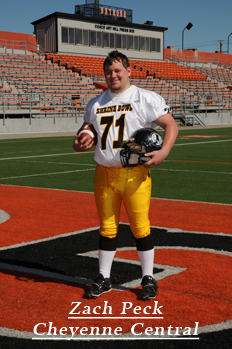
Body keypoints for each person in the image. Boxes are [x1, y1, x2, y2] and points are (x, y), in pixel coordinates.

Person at [73, 50, 178, 300]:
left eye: (118, 70)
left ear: (129, 71)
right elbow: (84, 132)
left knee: (141, 227)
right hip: (104, 174)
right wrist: (79, 143)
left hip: (135, 174)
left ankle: (148, 278)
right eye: (108, 72)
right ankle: (104, 277)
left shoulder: (145, 97)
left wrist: (164, 151)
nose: (113, 75)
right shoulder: (96, 103)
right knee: (107, 228)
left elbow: (170, 124)